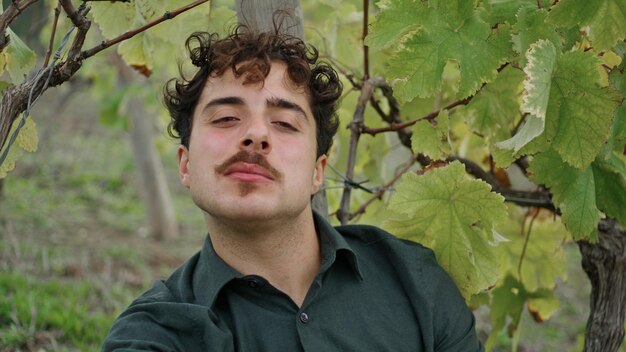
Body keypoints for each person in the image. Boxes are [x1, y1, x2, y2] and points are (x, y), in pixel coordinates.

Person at [102, 25, 483, 351]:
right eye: (227, 117)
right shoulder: (155, 334)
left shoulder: (416, 280)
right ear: (185, 165)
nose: (255, 135)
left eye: (284, 123)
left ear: (318, 172)